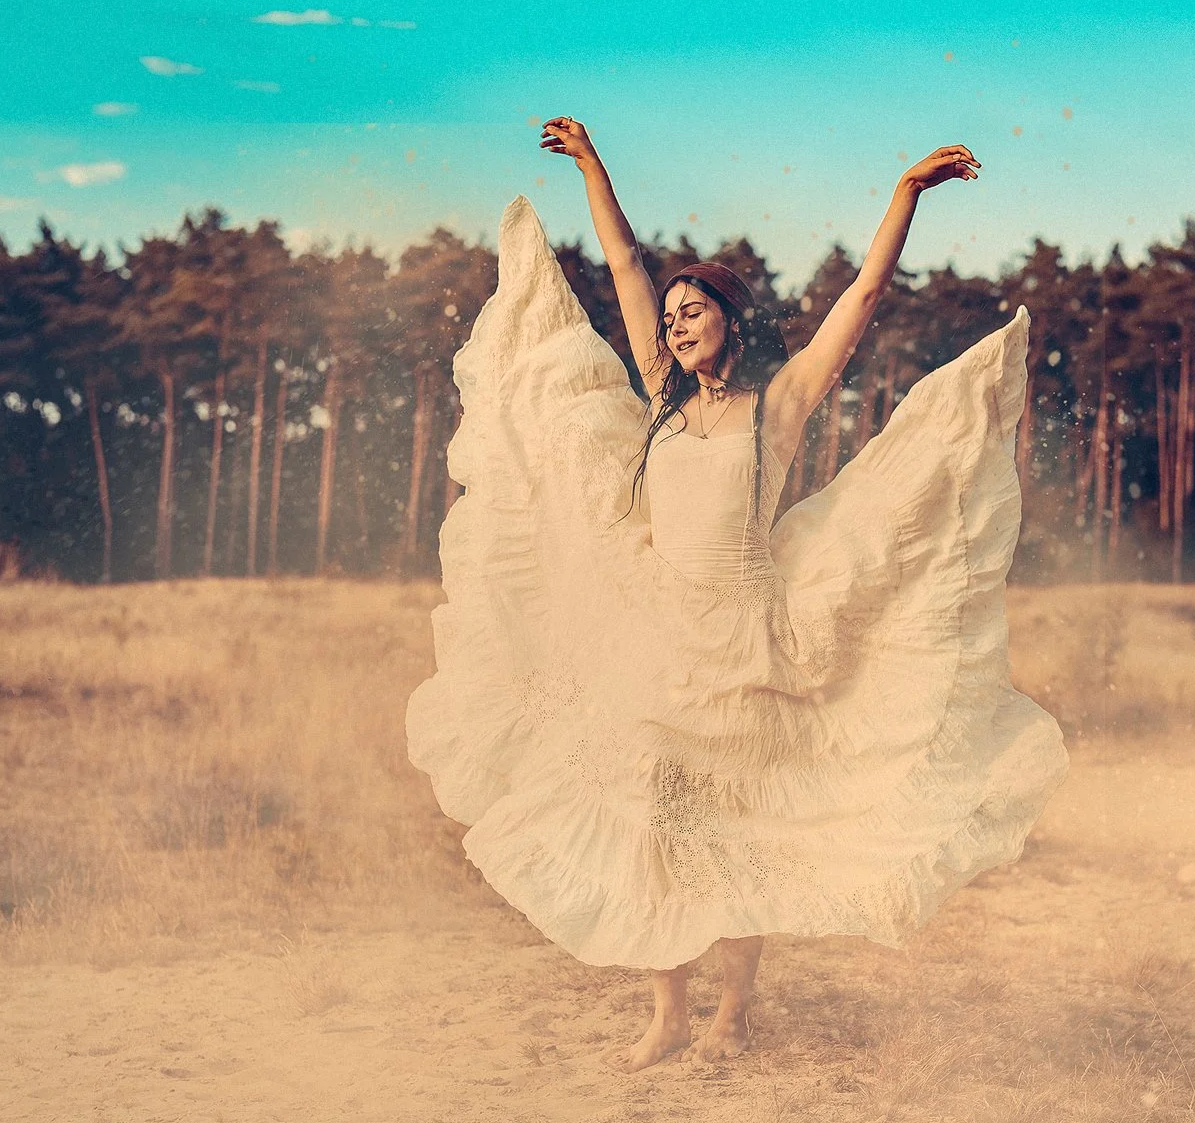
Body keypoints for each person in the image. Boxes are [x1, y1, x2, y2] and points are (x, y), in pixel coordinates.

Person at [406, 116, 1067, 1072]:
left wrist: (905, 195)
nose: (674, 320)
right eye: (669, 314)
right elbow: (627, 267)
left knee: (732, 824)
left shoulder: (778, 406)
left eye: (692, 310)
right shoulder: (661, 402)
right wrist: (594, 164)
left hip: (749, 641)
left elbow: (866, 296)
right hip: (656, 634)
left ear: (730, 321)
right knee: (653, 820)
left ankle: (733, 1014)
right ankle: (669, 1011)